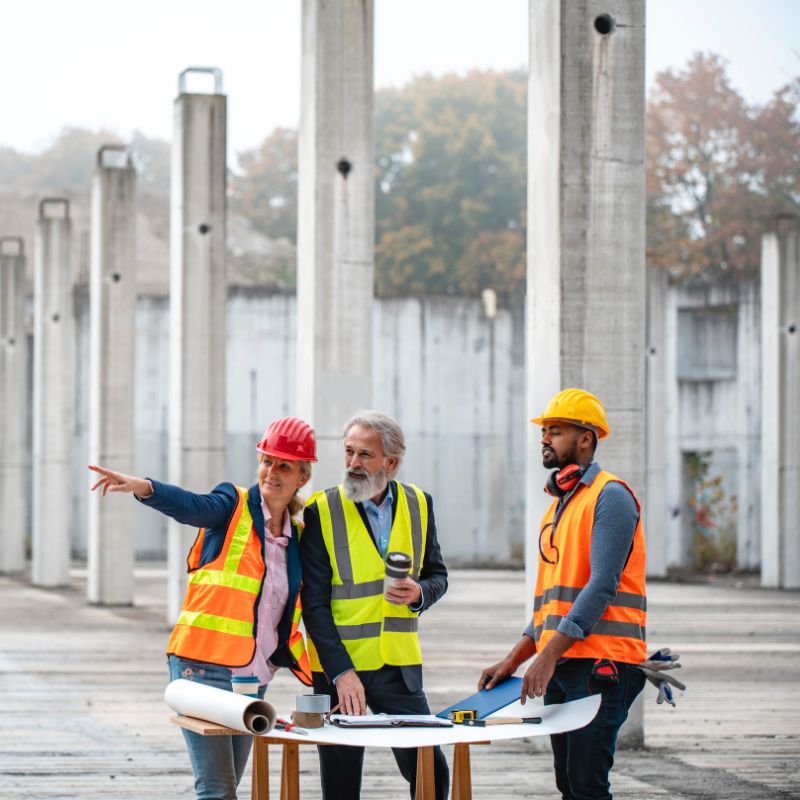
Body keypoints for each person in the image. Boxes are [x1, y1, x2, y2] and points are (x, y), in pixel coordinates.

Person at [88, 416, 317, 800]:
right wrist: (145, 488)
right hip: (202, 666)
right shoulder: (232, 506)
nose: (271, 472)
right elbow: (192, 506)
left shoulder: (298, 537)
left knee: (228, 785)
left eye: (284, 465)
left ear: (302, 476)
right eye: (266, 461)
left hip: (253, 678)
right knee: (217, 789)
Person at [479, 388, 647, 800]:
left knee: (588, 786)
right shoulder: (560, 506)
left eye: (555, 431)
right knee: (568, 784)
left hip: (603, 664)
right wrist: (515, 657)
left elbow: (603, 585)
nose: (544, 439)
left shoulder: (611, 497)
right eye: (544, 431)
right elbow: (551, 602)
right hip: (566, 663)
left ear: (585, 438)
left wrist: (547, 656)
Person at [300, 410, 450, 800]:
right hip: (341, 671)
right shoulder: (322, 511)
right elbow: (313, 605)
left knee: (431, 774)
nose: (352, 463)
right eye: (348, 451)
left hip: (398, 669)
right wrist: (340, 673)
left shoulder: (420, 504)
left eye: (364, 455)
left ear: (391, 462)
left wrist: (420, 594)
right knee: (341, 784)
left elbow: (438, 575)